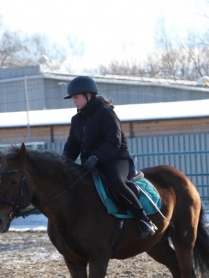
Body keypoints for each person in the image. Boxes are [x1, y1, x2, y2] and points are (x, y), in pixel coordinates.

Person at [62, 76, 157, 239]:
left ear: (88, 95)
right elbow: (72, 146)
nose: (74, 101)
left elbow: (114, 141)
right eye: (73, 98)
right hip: (90, 163)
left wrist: (96, 157)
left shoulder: (106, 112)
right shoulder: (76, 119)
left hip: (115, 159)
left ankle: (144, 220)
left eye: (76, 97)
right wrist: (63, 163)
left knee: (116, 183)